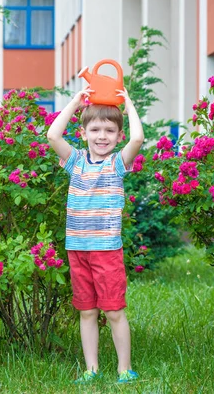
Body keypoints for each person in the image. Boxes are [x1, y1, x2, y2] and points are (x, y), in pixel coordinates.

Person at [46, 87, 143, 384]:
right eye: (96, 129)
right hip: (78, 249)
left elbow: (138, 138)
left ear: (118, 135)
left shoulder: (117, 164)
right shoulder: (75, 161)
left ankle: (124, 369)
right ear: (84, 133)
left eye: (110, 131)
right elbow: (52, 136)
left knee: (113, 311)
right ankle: (91, 369)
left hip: (106, 251)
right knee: (86, 312)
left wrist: (127, 103)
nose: (103, 136)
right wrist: (76, 101)